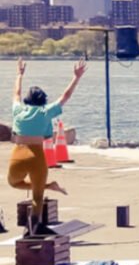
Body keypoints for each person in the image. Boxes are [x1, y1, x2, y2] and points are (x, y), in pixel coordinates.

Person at [9, 57, 87, 236]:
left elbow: (16, 93)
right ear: (43, 100)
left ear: (28, 100)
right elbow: (65, 96)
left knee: (14, 182)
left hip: (18, 154)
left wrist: (19, 74)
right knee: (37, 196)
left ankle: (48, 187)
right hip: (37, 156)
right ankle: (35, 225)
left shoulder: (18, 110)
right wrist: (76, 77)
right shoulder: (46, 111)